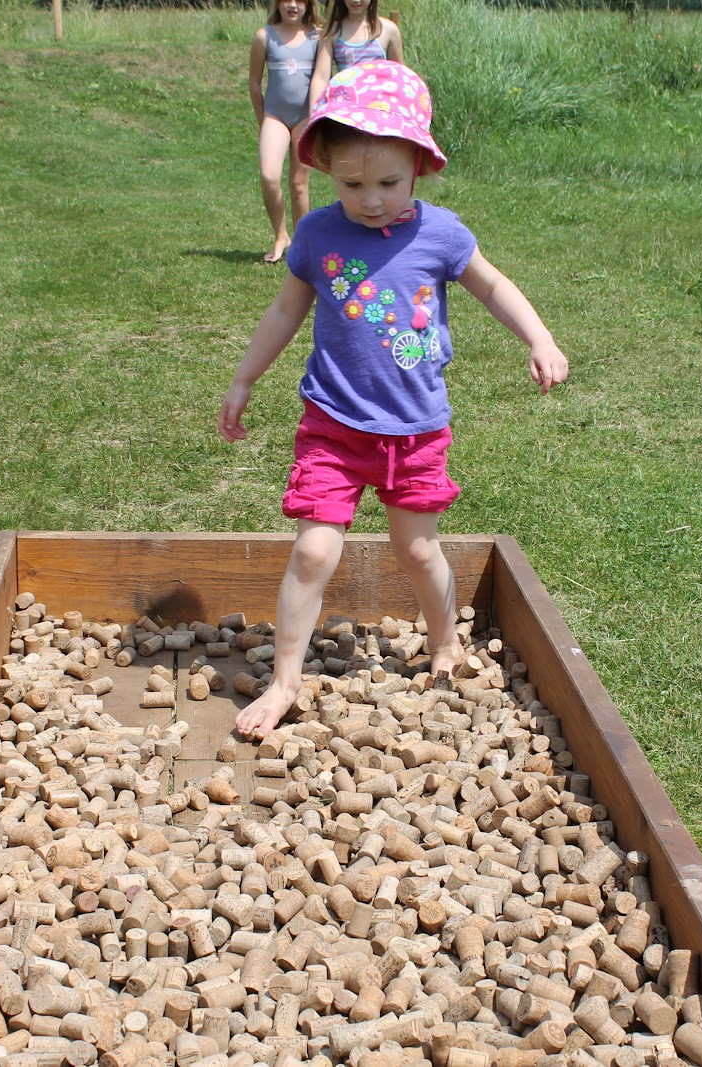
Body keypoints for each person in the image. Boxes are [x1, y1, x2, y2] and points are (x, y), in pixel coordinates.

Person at [218, 61, 569, 741]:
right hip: (333, 426)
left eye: (387, 183)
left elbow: (493, 286)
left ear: (419, 168)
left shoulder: (440, 234)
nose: (371, 199)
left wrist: (539, 336)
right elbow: (285, 312)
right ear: (327, 171)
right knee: (314, 552)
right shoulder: (318, 234)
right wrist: (244, 378)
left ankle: (444, 640)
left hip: (415, 431)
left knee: (417, 549)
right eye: (353, 184)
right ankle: (285, 681)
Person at [250, 0, 322, 264]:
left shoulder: (318, 36)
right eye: (287, 0)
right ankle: (281, 236)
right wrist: (263, 120)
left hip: (305, 118)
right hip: (275, 117)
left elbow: (325, 77)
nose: (293, 5)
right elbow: (254, 84)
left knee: (299, 183)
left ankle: (302, 244)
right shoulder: (264, 36)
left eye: (299, 1)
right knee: (269, 177)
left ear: (308, 4)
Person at [306, 0, 403, 116]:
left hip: (380, 108)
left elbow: (399, 75)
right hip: (347, 108)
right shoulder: (332, 32)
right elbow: (321, 77)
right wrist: (314, 113)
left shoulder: (388, 30)